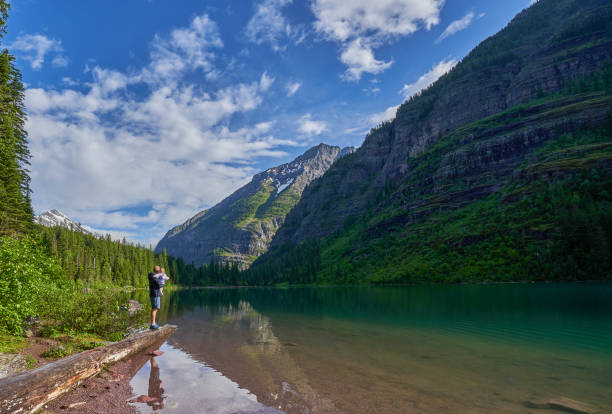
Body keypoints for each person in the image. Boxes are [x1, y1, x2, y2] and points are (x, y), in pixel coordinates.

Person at [148, 265, 163, 330]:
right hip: (155, 294)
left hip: (154, 294)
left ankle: (153, 323)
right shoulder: (154, 276)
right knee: (155, 309)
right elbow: (159, 283)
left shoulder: (152, 275)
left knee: (155, 309)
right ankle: (153, 324)